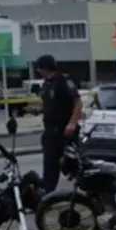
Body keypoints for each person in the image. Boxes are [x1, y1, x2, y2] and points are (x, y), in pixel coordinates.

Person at [36, 54, 82, 192]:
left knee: (73, 164)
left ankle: (85, 194)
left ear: (43, 68)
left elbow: (78, 102)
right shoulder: (46, 84)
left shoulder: (63, 80)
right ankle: (47, 196)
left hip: (65, 131)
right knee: (50, 166)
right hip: (50, 131)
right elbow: (51, 106)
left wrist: (72, 123)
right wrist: (37, 110)